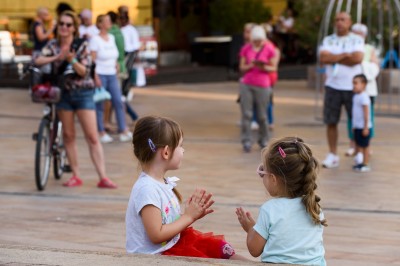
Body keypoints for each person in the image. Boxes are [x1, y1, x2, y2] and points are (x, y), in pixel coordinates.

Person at [126, 116, 244, 260]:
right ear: (166, 152)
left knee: (223, 251)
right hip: (156, 256)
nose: (183, 150)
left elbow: (165, 223)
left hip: (171, 245)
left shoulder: (159, 183)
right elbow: (156, 235)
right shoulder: (147, 189)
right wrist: (188, 217)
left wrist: (191, 215)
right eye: (180, 145)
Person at [34, 11, 117, 189]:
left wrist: (71, 60)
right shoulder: (53, 45)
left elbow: (84, 72)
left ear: (74, 28)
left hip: (83, 94)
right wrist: (57, 57)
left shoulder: (81, 45)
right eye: (62, 24)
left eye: (68, 24)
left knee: (92, 136)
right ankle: (75, 175)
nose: (64, 27)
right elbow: (38, 59)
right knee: (69, 136)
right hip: (63, 94)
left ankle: (103, 177)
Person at [236, 136, 327, 265]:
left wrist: (251, 229)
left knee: (232, 258)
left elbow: (254, 250)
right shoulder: (314, 206)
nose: (262, 176)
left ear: (273, 179)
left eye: (263, 171)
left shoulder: (270, 209)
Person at [319, 12, 364, 168]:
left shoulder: (357, 39)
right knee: (331, 121)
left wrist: (334, 57)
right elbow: (323, 59)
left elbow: (357, 59)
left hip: (353, 88)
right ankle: (332, 154)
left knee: (356, 122)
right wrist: (344, 55)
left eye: (343, 19)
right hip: (333, 87)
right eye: (337, 19)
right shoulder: (328, 40)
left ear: (349, 22)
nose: (339, 22)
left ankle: (359, 152)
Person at [90, 14, 132, 143]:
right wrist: (95, 76)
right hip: (100, 74)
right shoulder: (95, 40)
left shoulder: (112, 37)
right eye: (107, 21)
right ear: (100, 24)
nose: (110, 23)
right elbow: (92, 60)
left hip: (112, 74)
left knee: (118, 101)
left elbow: (116, 55)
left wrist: (117, 64)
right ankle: (101, 132)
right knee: (100, 104)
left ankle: (123, 129)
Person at [346, 23, 379, 165]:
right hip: (352, 87)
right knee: (352, 115)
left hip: (367, 89)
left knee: (367, 114)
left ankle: (366, 144)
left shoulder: (369, 49)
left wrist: (364, 72)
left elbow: (375, 66)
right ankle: (353, 144)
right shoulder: (348, 46)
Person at [239, 25, 276, 153]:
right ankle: (246, 141)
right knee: (247, 114)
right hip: (247, 84)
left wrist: (263, 67)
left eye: (259, 40)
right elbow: (242, 67)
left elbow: (274, 67)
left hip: (263, 85)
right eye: (255, 40)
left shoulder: (270, 49)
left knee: (262, 116)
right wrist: (250, 65)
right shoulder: (246, 48)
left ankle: (264, 140)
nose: (257, 42)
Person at [118, 7, 141, 96]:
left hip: (129, 52)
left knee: (127, 72)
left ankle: (126, 90)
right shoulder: (119, 29)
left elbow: (135, 43)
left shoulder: (131, 29)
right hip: (121, 53)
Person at [351, 74, 372, 172]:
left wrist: (366, 127)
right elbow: (355, 113)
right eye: (353, 83)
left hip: (364, 127)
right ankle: (360, 163)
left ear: (363, 84)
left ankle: (365, 163)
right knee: (358, 145)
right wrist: (354, 125)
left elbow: (366, 114)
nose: (354, 85)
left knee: (365, 146)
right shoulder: (356, 96)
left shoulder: (364, 97)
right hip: (357, 126)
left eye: (356, 83)